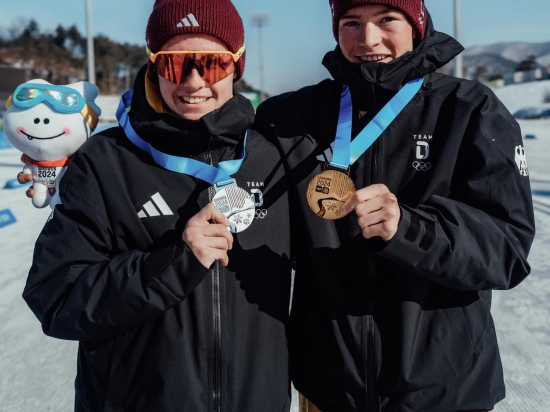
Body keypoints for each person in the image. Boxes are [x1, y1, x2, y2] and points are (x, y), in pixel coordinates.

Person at [255, 0, 536, 411]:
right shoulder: (291, 117)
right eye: (352, 22)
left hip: (443, 392)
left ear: (417, 24)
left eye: (387, 19)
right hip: (330, 388)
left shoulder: (469, 109)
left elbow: (507, 250)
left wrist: (409, 228)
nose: (368, 39)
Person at [21, 0, 293, 411]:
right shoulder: (106, 161)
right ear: (153, 66)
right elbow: (56, 297)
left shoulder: (274, 158)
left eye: (212, 63)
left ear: (237, 65)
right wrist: (170, 265)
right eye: (174, 64)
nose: (193, 80)